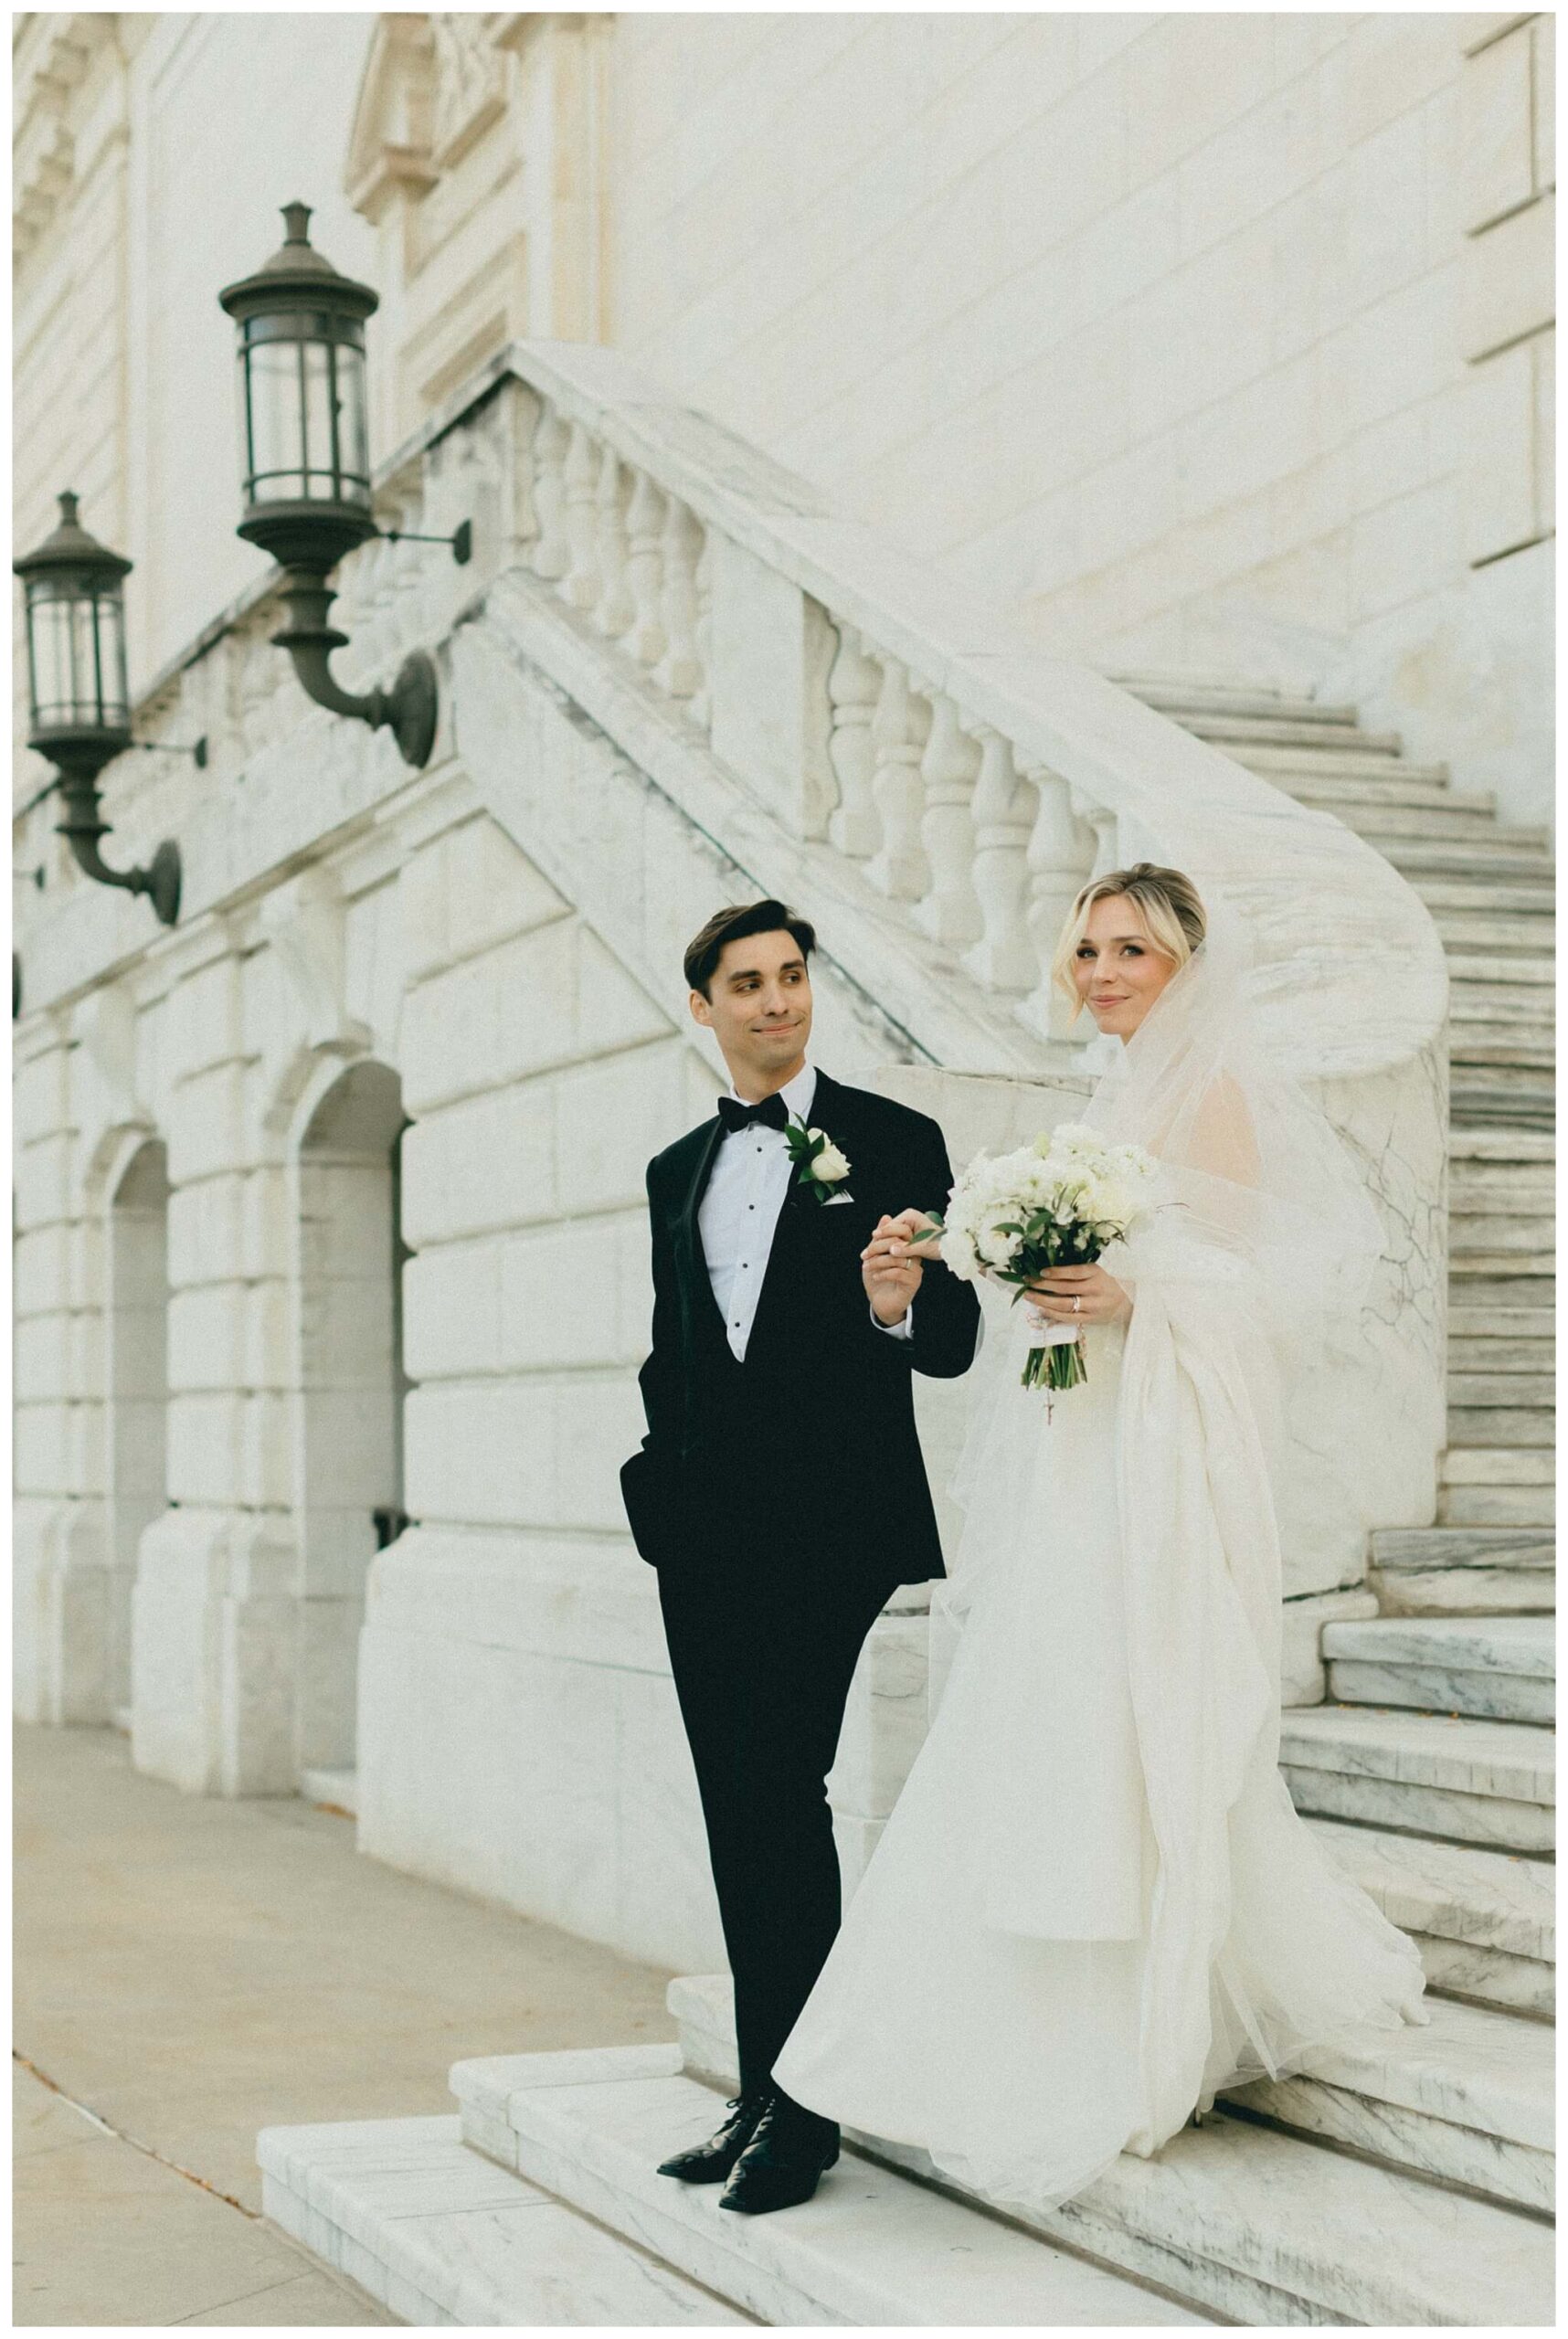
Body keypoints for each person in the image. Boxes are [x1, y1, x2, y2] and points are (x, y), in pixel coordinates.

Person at [771, 862, 1431, 2219]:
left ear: (1186, 964)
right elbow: (1058, 1287)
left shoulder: (1218, 1092)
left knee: (1138, 1706)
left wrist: (1138, 1295)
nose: (1101, 970)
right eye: (1085, 949)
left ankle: (1141, 2018)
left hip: (1158, 1465)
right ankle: (1042, 1991)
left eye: (1129, 949)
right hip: (1081, 1455)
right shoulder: (1106, 1101)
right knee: (1055, 1708)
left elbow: (1266, 1294)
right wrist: (975, 1261)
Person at [620, 898, 980, 2215]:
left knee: (782, 1785)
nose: (778, 1002)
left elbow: (950, 1341)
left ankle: (807, 2111)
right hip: (703, 1535)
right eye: (748, 984)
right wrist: (657, 1484)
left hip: (832, 1529)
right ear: (704, 1007)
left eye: (792, 978)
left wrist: (898, 1301)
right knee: (740, 1808)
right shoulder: (677, 1169)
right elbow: (676, 1348)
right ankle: (767, 2085)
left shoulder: (894, 1140)